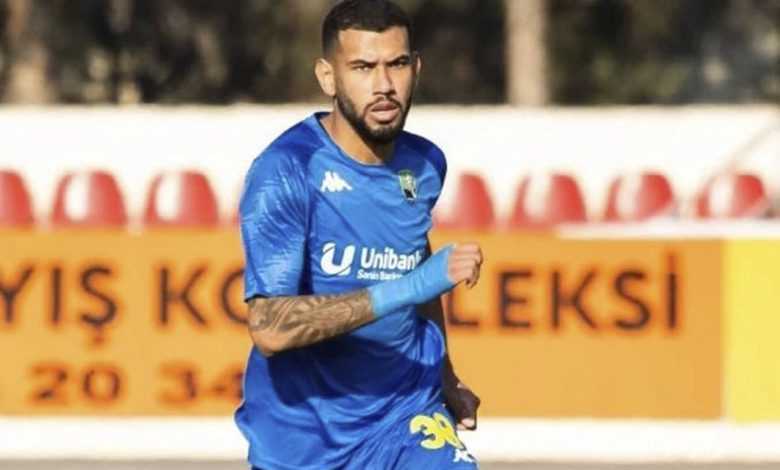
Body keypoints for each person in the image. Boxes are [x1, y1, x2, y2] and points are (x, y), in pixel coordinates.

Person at [236, 1, 483, 468]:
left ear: (417, 69)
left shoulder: (425, 165)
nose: (384, 85)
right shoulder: (286, 171)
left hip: (406, 415)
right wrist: (411, 286)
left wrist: (444, 375)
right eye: (363, 68)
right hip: (304, 441)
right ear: (328, 78)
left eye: (398, 64)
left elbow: (413, 256)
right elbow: (269, 327)